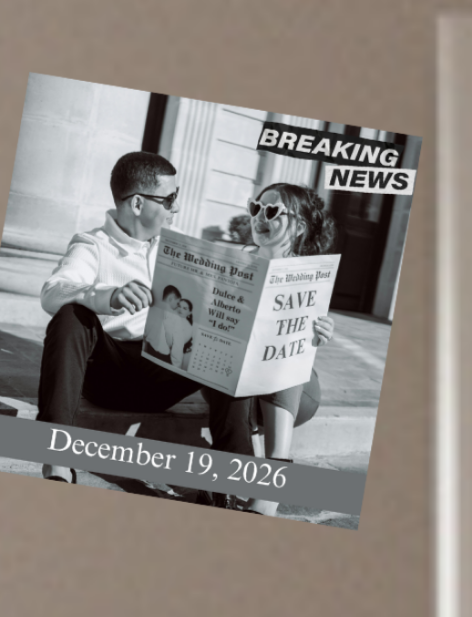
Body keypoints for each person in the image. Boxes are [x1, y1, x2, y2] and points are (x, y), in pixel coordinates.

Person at [35, 152, 322, 486]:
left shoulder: (180, 247)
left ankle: (233, 478)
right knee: (71, 315)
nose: (177, 207)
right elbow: (51, 292)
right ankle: (56, 458)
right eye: (170, 199)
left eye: (177, 197)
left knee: (226, 344)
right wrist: (107, 296)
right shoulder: (92, 245)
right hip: (107, 374)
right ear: (138, 204)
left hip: (164, 372)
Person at [200, 181, 337, 515]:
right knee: (238, 363)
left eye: (272, 210)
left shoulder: (310, 275)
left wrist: (320, 332)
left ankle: (275, 475)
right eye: (255, 207)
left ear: (299, 226)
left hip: (291, 393)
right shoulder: (230, 263)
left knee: (282, 355)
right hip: (235, 384)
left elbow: (304, 345)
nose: (260, 216)